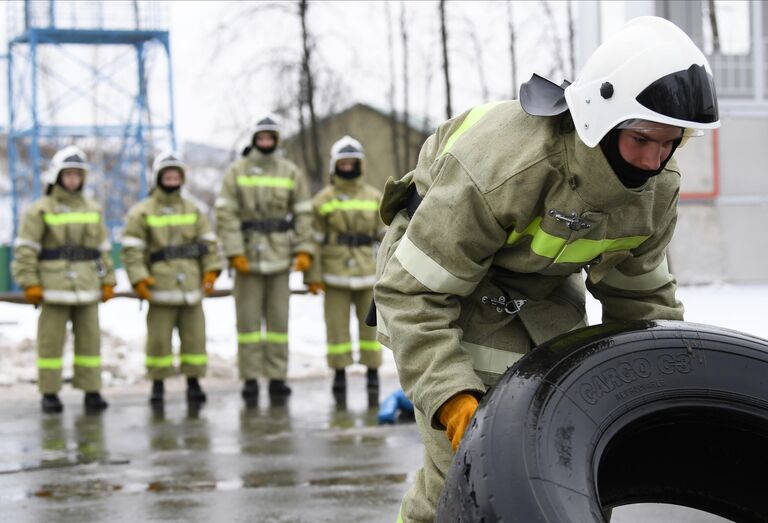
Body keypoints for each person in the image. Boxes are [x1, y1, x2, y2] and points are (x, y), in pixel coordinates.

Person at [372, 16, 719, 522]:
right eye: (643, 139)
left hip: (543, 288)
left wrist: (662, 400)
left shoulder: (657, 188)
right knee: (465, 474)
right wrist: (450, 395)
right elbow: (411, 294)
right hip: (441, 282)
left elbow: (641, 304)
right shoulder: (508, 169)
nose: (654, 160)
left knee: (556, 455)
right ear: (603, 119)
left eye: (671, 142)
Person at [215, 114, 314, 405]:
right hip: (246, 256)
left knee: (278, 323)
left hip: (279, 256)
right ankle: (249, 378)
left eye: (271, 136)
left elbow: (303, 213)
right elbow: (226, 214)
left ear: (277, 139)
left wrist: (304, 248)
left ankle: (276, 377)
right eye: (262, 136)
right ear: (255, 139)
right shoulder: (237, 171)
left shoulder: (290, 171)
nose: (266, 141)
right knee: (247, 323)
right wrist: (234, 252)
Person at [12, 145, 116, 414]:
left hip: (87, 286)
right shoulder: (40, 210)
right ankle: (49, 393)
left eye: (77, 175)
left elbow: (102, 250)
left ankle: (92, 390)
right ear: (57, 177)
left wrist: (108, 280)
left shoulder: (93, 209)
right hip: (53, 288)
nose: (73, 180)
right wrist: (29, 282)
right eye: (68, 174)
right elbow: (25, 250)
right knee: (50, 342)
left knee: (90, 342)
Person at [121, 151, 221, 407]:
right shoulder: (142, 212)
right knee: (158, 342)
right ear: (158, 178)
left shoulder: (194, 209)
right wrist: (139, 279)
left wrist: (211, 270)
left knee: (195, 340)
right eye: (168, 175)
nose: (172, 179)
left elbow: (208, 243)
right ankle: (157, 385)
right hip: (160, 289)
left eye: (176, 175)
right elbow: (132, 250)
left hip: (191, 287)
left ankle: (194, 383)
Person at [304, 136, 386, 399]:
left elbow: (386, 237)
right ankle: (339, 376)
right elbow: (313, 240)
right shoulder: (322, 200)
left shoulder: (375, 196)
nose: (348, 166)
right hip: (333, 273)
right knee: (337, 328)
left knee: (370, 328)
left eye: (352, 162)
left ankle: (372, 375)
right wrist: (312, 276)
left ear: (359, 165)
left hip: (366, 273)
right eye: (343, 162)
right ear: (334, 166)